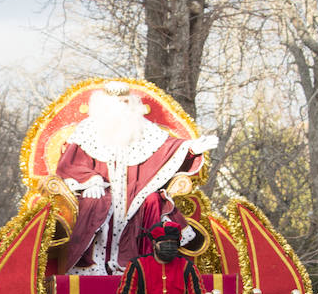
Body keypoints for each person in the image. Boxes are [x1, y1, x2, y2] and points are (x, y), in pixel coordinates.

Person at [55, 81, 215, 275]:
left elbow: (168, 148)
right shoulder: (88, 130)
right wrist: (89, 181)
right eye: (117, 103)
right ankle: (93, 267)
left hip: (134, 195)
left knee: (153, 201)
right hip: (102, 191)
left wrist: (192, 149)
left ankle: (146, 265)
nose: (122, 108)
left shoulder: (143, 129)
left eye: (126, 102)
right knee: (96, 202)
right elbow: (71, 163)